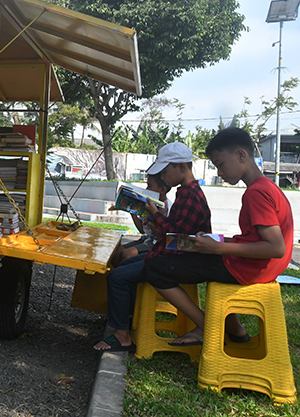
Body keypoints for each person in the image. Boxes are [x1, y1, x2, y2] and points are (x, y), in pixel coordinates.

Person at [143, 127, 294, 345]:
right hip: (260, 265)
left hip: (251, 268)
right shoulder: (266, 187)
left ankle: (207, 326)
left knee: (155, 268)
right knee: (197, 254)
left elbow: (275, 247)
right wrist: (220, 241)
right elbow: (256, 239)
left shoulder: (256, 193)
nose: (220, 173)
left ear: (241, 155)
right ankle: (237, 332)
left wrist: (220, 248)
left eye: (221, 165)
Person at [94, 143, 208, 352]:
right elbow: (174, 232)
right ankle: (125, 319)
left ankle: (122, 336)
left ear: (181, 167)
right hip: (169, 254)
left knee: (117, 277)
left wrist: (156, 214)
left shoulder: (190, 195)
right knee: (124, 265)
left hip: (176, 260)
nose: (164, 177)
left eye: (165, 171)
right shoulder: (187, 192)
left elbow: (175, 235)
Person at [111, 174, 172, 266]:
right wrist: (132, 210)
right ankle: (114, 275)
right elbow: (142, 230)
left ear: (162, 190)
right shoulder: (150, 204)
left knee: (127, 254)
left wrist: (153, 219)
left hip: (158, 243)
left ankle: (126, 277)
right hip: (147, 239)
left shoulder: (167, 208)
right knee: (117, 252)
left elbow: (161, 235)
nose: (147, 189)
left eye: (150, 186)